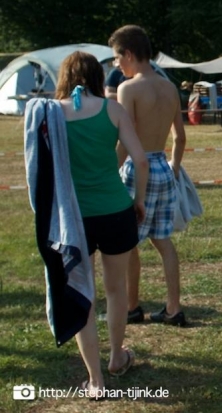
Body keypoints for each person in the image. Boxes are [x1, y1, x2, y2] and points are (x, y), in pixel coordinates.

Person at [55, 52, 149, 396]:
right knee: (116, 290)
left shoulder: (52, 113)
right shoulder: (113, 109)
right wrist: (139, 200)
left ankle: (95, 380)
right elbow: (140, 160)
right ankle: (116, 357)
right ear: (98, 76)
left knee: (83, 295)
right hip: (115, 211)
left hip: (73, 218)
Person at [108, 25, 188, 327]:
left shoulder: (128, 89)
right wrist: (174, 167)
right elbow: (180, 138)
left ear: (129, 54)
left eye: (117, 58)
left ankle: (131, 307)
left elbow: (125, 139)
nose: (117, 65)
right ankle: (173, 309)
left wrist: (109, 171)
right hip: (162, 167)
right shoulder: (169, 88)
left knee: (128, 244)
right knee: (163, 241)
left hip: (137, 167)